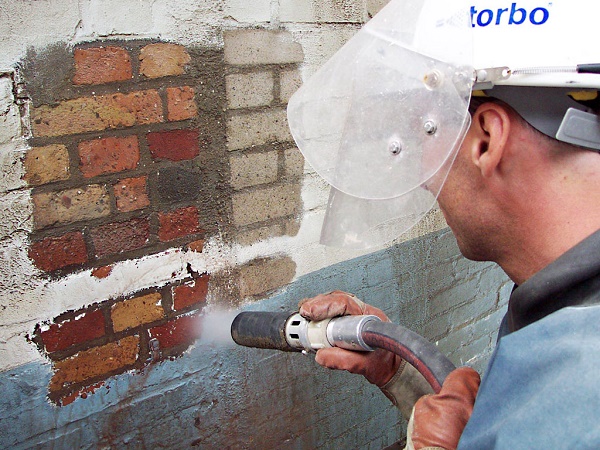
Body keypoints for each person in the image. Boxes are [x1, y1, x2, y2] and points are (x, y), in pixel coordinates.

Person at [287, 0, 600, 448]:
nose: (422, 177)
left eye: (428, 131)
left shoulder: (581, 393)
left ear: (486, 140)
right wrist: (399, 371)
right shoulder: (561, 305)